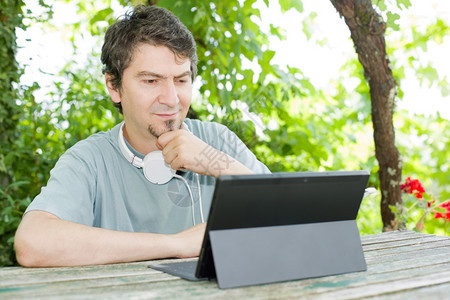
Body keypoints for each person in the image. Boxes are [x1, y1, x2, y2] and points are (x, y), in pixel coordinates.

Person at [14, 5, 270, 267]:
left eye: (181, 80)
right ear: (114, 87)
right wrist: (177, 244)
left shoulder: (217, 140)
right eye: (151, 81)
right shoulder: (89, 160)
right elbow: (32, 244)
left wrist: (217, 163)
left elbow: (290, 216)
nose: (171, 99)